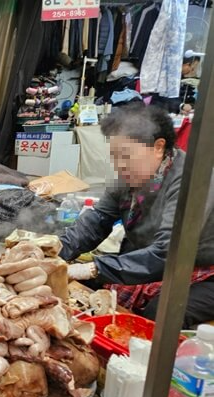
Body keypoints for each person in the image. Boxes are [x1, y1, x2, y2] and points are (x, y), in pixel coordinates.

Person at [61, 103, 214, 328]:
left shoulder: (192, 180)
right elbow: (97, 221)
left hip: (200, 270)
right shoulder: (127, 179)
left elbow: (168, 253)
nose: (119, 166)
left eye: (126, 156)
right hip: (150, 260)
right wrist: (57, 249)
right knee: (88, 292)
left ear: (158, 147)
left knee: (161, 312)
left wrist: (93, 267)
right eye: (115, 157)